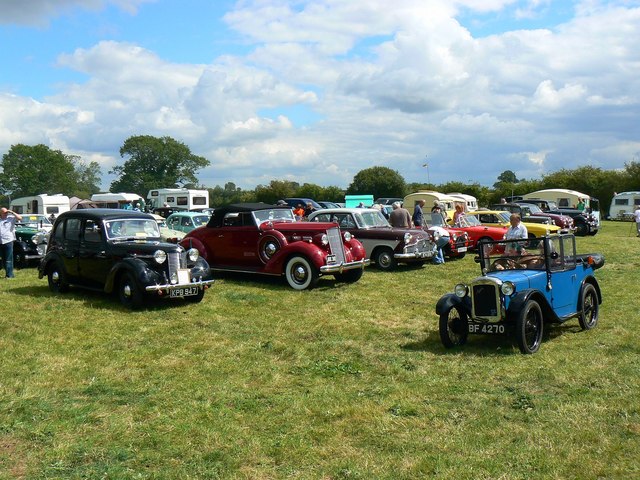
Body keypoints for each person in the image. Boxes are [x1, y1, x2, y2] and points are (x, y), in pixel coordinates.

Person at [0, 207, 23, 279]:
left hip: (8, 241)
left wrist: (12, 212)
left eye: (6, 212)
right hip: (0, 241)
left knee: (8, 259)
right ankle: (9, 273)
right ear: (0, 213)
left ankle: (9, 275)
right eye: (4, 212)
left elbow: (20, 218)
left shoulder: (11, 218)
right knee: (3, 259)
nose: (5, 213)